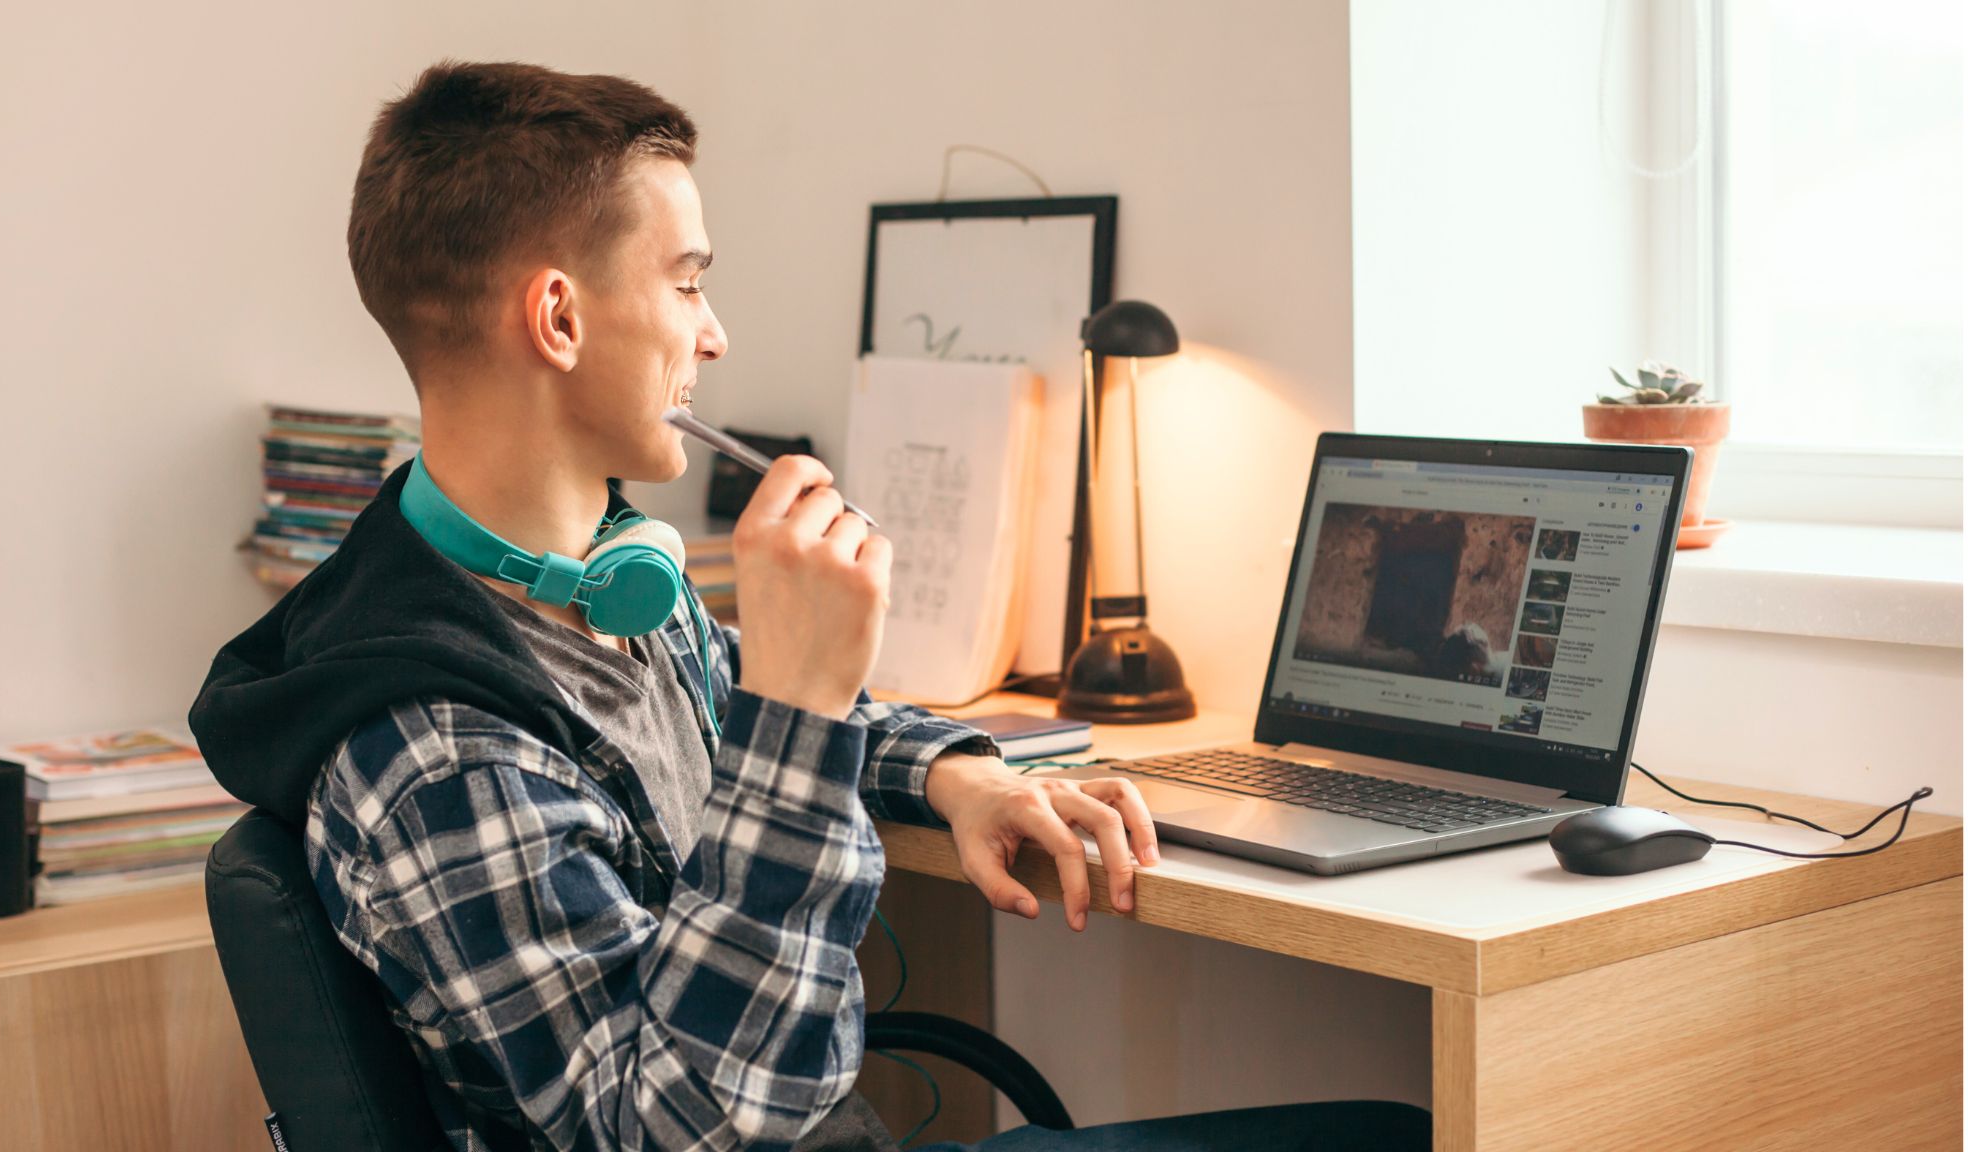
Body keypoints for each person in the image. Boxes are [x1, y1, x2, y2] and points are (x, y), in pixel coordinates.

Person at [190, 60, 1430, 1152]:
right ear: (559, 317)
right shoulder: (435, 749)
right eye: (685, 285)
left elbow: (749, 699)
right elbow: (672, 1132)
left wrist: (960, 772)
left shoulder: (583, 588)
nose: (714, 334)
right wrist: (796, 704)